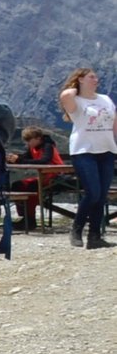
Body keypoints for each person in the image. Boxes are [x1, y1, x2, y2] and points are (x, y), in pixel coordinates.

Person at [60, 68, 113, 249]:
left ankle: (94, 236)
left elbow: (114, 123)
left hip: (107, 150)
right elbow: (65, 94)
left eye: (96, 77)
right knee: (93, 193)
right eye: (91, 77)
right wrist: (77, 88)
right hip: (84, 151)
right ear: (81, 79)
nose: (96, 79)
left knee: (101, 196)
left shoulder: (105, 99)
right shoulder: (75, 101)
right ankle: (77, 228)